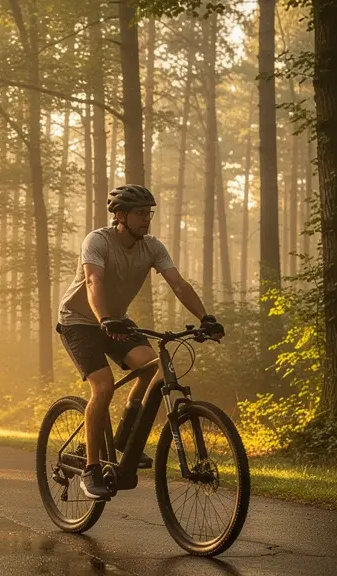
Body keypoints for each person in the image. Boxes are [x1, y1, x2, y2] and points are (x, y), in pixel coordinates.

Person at [56, 184, 225, 500]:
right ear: (120, 215)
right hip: (79, 321)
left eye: (149, 213)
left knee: (154, 366)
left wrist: (206, 318)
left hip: (116, 320)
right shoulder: (98, 241)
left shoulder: (152, 247)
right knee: (103, 386)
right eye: (139, 213)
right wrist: (105, 318)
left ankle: (125, 438)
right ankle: (91, 469)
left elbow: (178, 284)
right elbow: (93, 280)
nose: (146, 219)